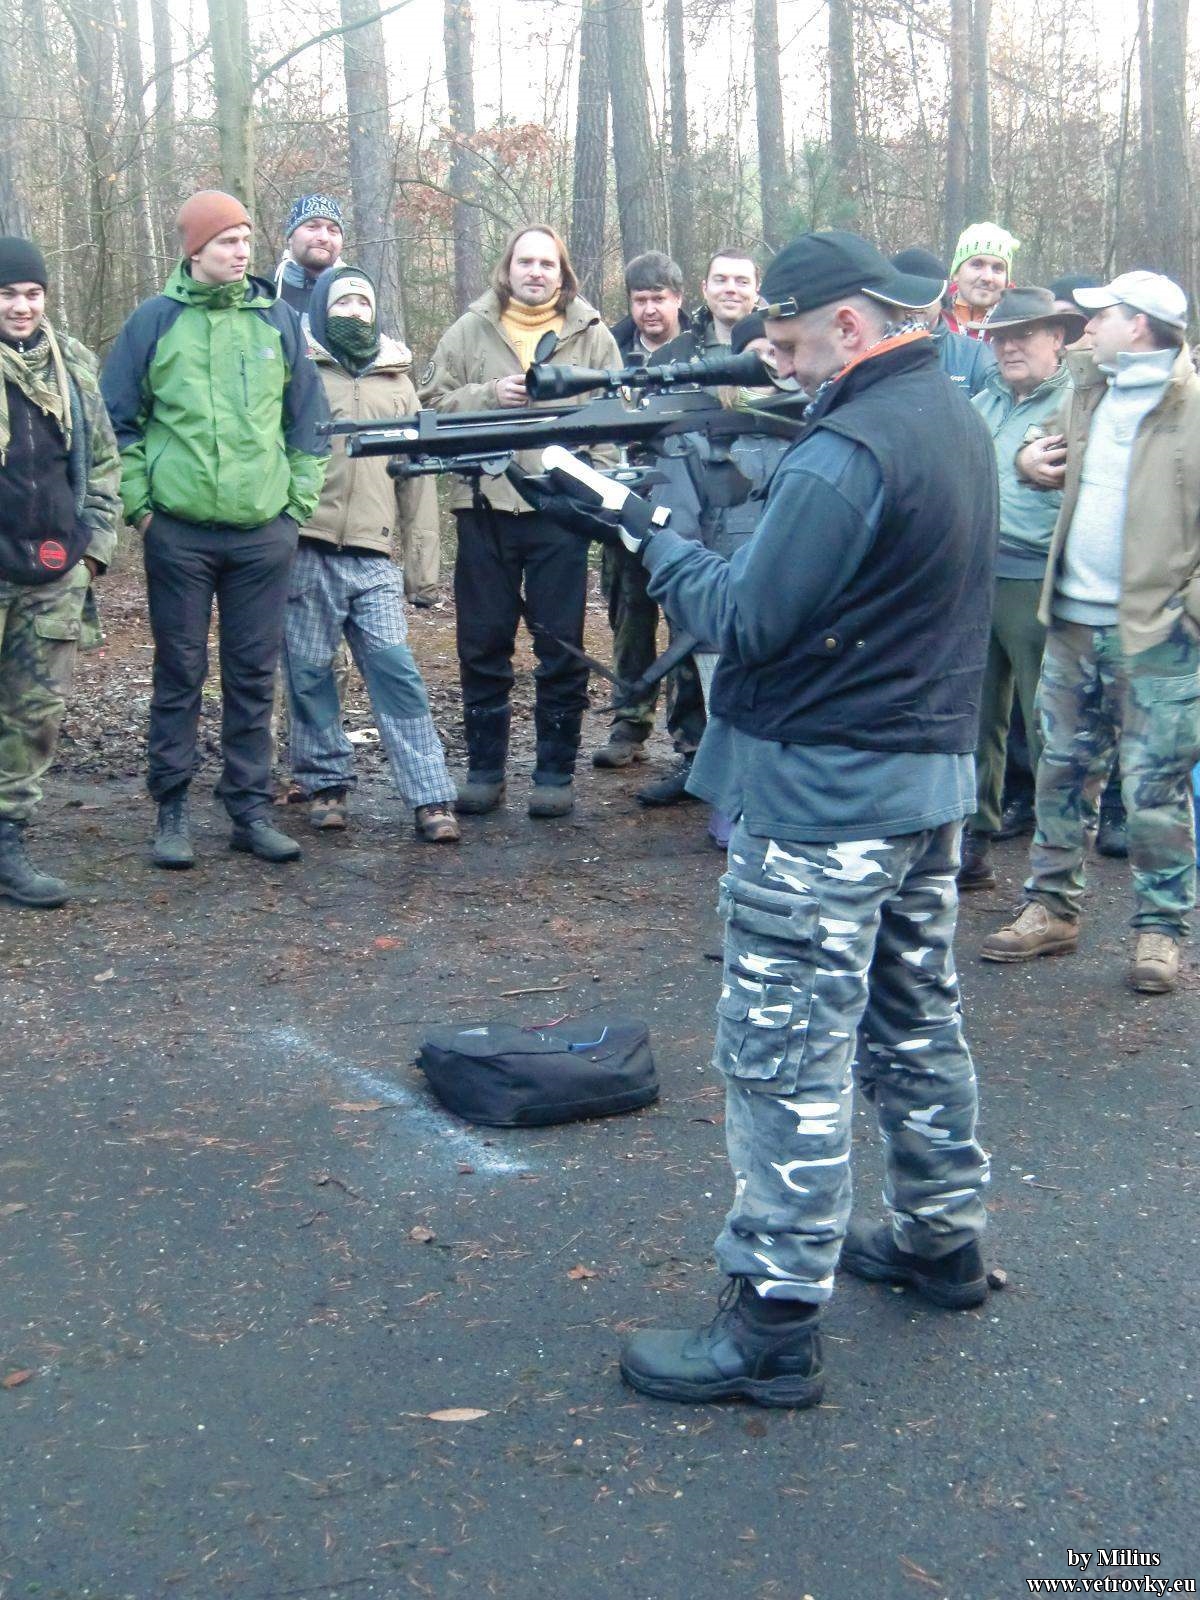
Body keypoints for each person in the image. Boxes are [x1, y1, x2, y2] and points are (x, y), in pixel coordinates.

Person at [553, 231, 998, 1408]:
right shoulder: (949, 414)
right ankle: (942, 1236)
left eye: (794, 344)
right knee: (913, 1017)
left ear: (850, 325)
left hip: (825, 798)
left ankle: (774, 1320)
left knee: (786, 1049)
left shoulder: (847, 452)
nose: (782, 365)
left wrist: (643, 527)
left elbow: (746, 619)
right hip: (920, 784)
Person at [982, 270, 1200, 995]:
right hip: (1072, 622)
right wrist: (1025, 459)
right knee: (1061, 773)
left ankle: (1161, 932)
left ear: (1137, 325)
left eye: (1101, 316)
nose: (1087, 326)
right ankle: (1051, 908)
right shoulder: (1088, 390)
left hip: (1158, 636)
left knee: (1155, 790)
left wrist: (1187, 613)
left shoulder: (1192, 408)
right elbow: (1038, 443)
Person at [101, 190, 329, 868]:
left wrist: (295, 508)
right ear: (194, 249)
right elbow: (119, 420)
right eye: (228, 241)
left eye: (246, 240)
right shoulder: (153, 321)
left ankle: (249, 810)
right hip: (179, 532)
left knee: (253, 676)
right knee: (180, 671)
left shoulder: (277, 320)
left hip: (264, 533)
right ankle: (171, 809)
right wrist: (143, 508)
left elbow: (308, 423)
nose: (241, 252)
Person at [419, 223, 621, 819]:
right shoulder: (469, 330)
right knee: (482, 644)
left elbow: (616, 421)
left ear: (563, 273)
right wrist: (488, 394)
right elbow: (429, 407)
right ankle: (484, 772)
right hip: (484, 507)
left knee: (561, 645)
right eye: (525, 262)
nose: (535, 272)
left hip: (560, 514)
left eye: (547, 264)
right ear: (507, 269)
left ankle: (555, 773)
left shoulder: (592, 334)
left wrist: (592, 496)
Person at [281, 266, 459, 844]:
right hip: (305, 550)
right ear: (322, 309)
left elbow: (417, 479)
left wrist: (422, 571)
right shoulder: (301, 369)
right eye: (343, 302)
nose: (354, 312)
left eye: (363, 302)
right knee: (310, 675)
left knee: (397, 674)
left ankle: (430, 795)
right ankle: (326, 785)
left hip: (373, 557)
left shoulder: (397, 381)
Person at [0, 237, 121, 907]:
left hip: (52, 572)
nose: (21, 306)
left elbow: (103, 462)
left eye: (32, 293)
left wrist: (93, 551)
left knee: (34, 717)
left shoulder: (71, 367)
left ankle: (7, 844)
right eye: (7, 294)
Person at [958, 287, 1083, 890]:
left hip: (1039, 582)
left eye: (1024, 334)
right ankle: (972, 842)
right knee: (975, 717)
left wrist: (1019, 467)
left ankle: (1057, 876)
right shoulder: (981, 404)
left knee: (1048, 726)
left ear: (1057, 337)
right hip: (975, 576)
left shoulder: (1079, 405)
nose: (1009, 346)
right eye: (1000, 336)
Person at [889, 246, 995, 395]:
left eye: (925, 292)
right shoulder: (868, 349)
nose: (914, 301)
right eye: (904, 292)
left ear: (942, 299)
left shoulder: (975, 357)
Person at [654, 248, 761, 361]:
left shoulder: (773, 352)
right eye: (720, 280)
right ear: (705, 289)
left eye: (742, 282)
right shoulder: (670, 356)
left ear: (757, 291)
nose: (730, 289)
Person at [608, 251, 689, 362]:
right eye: (640, 300)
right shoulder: (610, 354)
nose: (649, 310)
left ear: (678, 298)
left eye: (658, 299)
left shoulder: (703, 349)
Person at [276, 194, 344, 316]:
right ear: (290, 237)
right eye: (312, 227)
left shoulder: (356, 298)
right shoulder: (263, 293)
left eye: (333, 231)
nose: (324, 238)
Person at [946, 223, 1018, 336]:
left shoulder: (1020, 326)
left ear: (1006, 280)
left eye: (997, 268)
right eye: (977, 265)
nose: (987, 277)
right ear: (956, 273)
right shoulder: (933, 318)